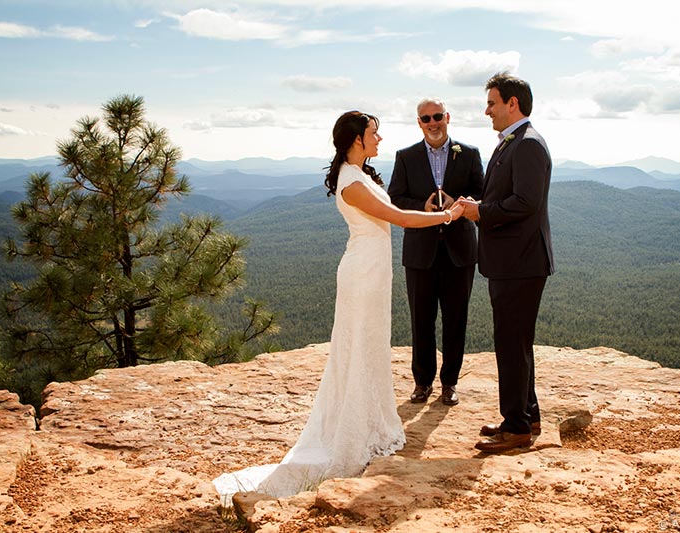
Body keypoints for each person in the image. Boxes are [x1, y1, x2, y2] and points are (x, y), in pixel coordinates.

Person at [213, 111, 464, 502]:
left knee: (372, 345)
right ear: (356, 140)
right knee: (359, 347)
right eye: (374, 134)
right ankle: (351, 433)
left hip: (373, 272)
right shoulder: (351, 181)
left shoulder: (360, 174)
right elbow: (396, 216)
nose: (379, 139)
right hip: (361, 274)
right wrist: (448, 215)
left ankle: (372, 422)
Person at [459, 72, 554, 454]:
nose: (487, 111)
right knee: (517, 342)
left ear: (512, 104)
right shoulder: (512, 142)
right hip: (513, 262)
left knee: (511, 344)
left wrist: (480, 212)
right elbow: (504, 194)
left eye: (492, 103)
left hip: (520, 263)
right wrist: (473, 203)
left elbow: (525, 203)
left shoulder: (527, 144)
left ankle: (515, 429)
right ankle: (526, 415)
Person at [388, 98, 484, 406]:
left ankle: (450, 383)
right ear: (419, 122)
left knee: (457, 319)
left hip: (460, 250)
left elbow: (483, 194)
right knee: (421, 319)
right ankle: (422, 382)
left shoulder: (468, 154)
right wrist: (423, 207)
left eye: (437, 116)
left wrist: (462, 202)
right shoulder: (406, 157)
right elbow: (395, 198)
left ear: (447, 117)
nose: (433, 123)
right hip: (420, 251)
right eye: (426, 118)